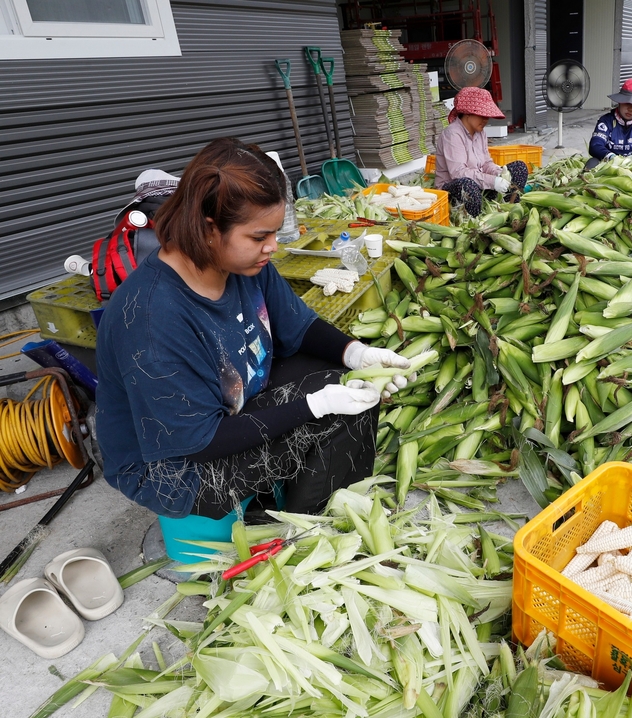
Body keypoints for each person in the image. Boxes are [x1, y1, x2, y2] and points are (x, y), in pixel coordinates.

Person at [95, 137, 413, 521]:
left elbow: (299, 325)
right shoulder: (152, 319)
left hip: (225, 409)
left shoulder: (240, 266)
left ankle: (281, 503)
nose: (273, 247)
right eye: (259, 237)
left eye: (274, 233)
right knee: (339, 410)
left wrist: (358, 353)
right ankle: (298, 528)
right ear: (209, 228)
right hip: (174, 469)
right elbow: (196, 442)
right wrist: (315, 405)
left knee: (349, 380)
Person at [434, 87, 528, 217]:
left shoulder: (480, 133)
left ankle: (509, 210)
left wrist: (499, 173)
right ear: (467, 113)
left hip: (479, 185)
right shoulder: (452, 134)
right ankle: (475, 222)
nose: (486, 120)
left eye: (487, 116)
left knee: (519, 168)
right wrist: (492, 181)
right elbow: (458, 173)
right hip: (455, 190)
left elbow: (485, 164)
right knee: (468, 185)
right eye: (481, 115)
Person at [587, 78, 632, 169]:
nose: (630, 109)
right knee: (592, 163)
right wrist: (612, 157)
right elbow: (595, 145)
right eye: (627, 103)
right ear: (620, 101)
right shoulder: (606, 121)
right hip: (609, 165)